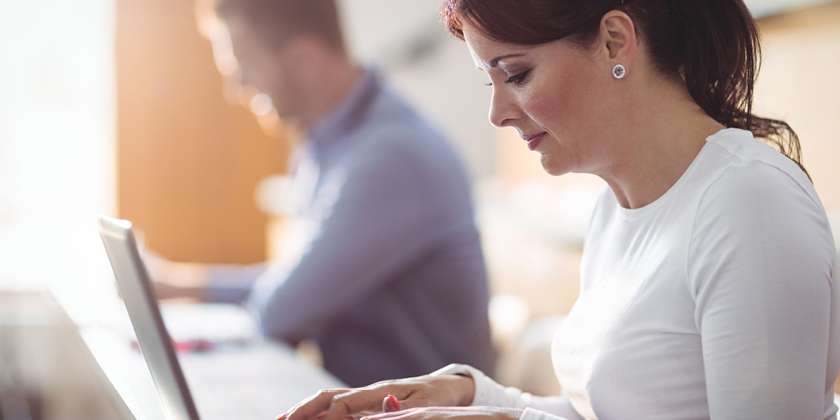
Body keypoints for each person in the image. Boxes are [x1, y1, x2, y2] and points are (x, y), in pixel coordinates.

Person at [278, 0, 840, 419]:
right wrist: (470, 393)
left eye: (516, 74)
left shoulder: (749, 207)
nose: (497, 113)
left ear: (616, 42)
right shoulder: (617, 206)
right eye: (488, 80)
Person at [147, 0, 495, 387]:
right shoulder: (328, 141)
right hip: (357, 398)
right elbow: (301, 280)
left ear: (304, 60)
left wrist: (184, 286)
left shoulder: (390, 157)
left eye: (244, 64)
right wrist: (177, 285)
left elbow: (280, 310)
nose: (237, 87)